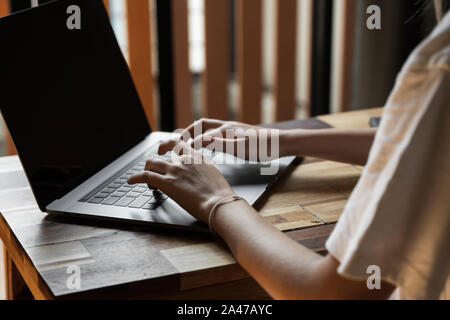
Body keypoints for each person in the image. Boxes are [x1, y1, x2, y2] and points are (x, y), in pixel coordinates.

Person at [128, 1, 450, 299]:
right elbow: (422, 145)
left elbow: (326, 295)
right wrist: (281, 140)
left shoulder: (442, 66)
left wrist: (216, 201)